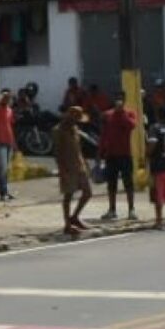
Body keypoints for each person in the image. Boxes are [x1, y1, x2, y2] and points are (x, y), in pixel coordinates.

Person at [97, 94, 140, 221]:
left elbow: (131, 126)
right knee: (111, 184)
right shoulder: (107, 115)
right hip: (111, 154)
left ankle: (131, 210)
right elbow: (104, 134)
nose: (119, 101)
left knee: (128, 183)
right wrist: (100, 152)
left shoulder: (130, 114)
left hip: (125, 154)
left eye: (121, 99)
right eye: (117, 99)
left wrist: (121, 113)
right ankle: (112, 210)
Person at [54, 103, 94, 235]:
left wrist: (85, 163)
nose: (77, 121)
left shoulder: (75, 129)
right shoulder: (59, 130)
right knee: (68, 196)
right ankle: (67, 224)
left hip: (79, 165)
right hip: (68, 167)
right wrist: (62, 171)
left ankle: (75, 217)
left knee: (87, 193)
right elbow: (58, 153)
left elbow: (78, 149)